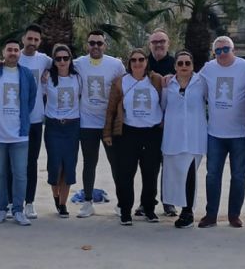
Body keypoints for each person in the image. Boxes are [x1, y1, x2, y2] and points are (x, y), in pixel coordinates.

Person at [197, 36, 245, 229]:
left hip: (240, 134)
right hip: (215, 133)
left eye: (225, 49)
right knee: (212, 174)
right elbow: (195, 87)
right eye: (218, 51)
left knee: (238, 176)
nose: (222, 54)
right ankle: (211, 214)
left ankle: (234, 215)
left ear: (233, 49)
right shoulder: (208, 69)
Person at [103, 49, 163, 226]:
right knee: (125, 174)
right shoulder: (121, 82)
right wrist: (107, 133)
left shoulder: (157, 80)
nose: (137, 63)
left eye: (141, 59)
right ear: (129, 64)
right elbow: (111, 109)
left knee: (151, 173)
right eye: (134, 60)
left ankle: (149, 208)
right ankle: (125, 211)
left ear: (146, 62)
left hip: (152, 133)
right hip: (128, 133)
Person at [0, 39, 37, 226]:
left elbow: (31, 98)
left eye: (15, 50)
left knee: (20, 174)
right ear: (3, 52)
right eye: (9, 50)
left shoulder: (26, 74)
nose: (13, 53)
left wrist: (22, 119)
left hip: (19, 134)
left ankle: (19, 210)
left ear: (19, 53)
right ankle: (1, 209)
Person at [73, 30, 125, 218]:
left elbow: (125, 86)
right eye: (92, 43)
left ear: (105, 45)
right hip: (87, 122)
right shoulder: (78, 64)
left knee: (116, 163)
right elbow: (56, 67)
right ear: (87, 45)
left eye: (99, 43)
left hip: (109, 123)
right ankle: (87, 202)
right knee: (89, 162)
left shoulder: (116, 64)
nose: (95, 46)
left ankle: (121, 203)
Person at [161, 50, 208, 229]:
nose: (184, 67)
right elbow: (163, 106)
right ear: (175, 66)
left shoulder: (202, 83)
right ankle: (179, 208)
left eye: (187, 63)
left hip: (194, 138)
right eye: (180, 63)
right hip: (173, 137)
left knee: (189, 175)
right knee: (175, 177)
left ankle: (187, 212)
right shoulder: (168, 84)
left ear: (193, 65)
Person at [136, 28, 177, 218]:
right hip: (148, 126)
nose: (158, 45)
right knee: (149, 167)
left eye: (162, 41)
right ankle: (146, 203)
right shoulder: (142, 63)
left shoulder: (177, 64)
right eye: (155, 42)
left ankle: (168, 202)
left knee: (169, 166)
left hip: (171, 125)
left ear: (168, 44)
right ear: (149, 45)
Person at [17, 23, 52, 220]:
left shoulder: (44, 60)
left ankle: (29, 202)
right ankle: (14, 202)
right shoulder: (14, 56)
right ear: (23, 39)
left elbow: (62, 66)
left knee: (31, 162)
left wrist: (49, 73)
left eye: (36, 40)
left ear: (40, 42)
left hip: (36, 120)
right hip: (15, 120)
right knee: (14, 163)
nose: (32, 42)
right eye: (29, 39)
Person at [44, 44, 81, 218]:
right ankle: (56, 196)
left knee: (68, 166)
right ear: (54, 61)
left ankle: (63, 204)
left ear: (70, 59)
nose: (62, 61)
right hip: (53, 126)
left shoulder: (77, 78)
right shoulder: (47, 78)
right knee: (55, 166)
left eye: (65, 58)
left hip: (72, 127)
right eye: (58, 58)